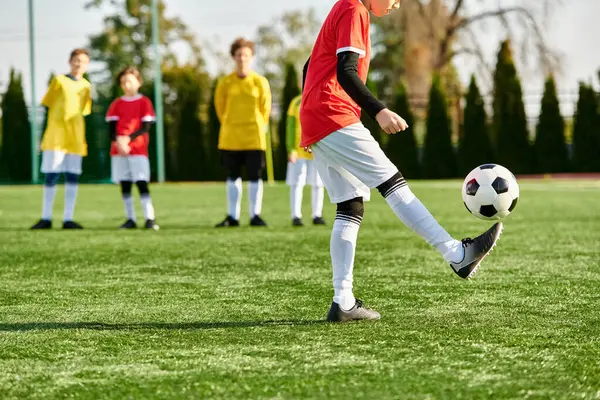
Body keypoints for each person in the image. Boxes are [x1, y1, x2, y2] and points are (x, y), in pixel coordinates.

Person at [300, 0, 503, 323]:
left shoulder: (346, 8)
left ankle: (343, 301)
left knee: (349, 208)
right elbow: (346, 71)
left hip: (319, 119)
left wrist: (311, 119)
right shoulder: (354, 8)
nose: (396, 3)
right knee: (393, 185)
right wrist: (378, 110)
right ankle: (457, 255)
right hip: (334, 116)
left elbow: (308, 66)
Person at [31, 48, 92, 230]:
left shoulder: (87, 86)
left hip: (75, 137)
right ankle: (46, 217)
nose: (79, 64)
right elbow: (48, 102)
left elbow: (84, 111)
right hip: (56, 135)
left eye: (83, 61)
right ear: (70, 61)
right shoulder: (59, 80)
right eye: (76, 60)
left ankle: (68, 218)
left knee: (72, 176)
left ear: (87, 65)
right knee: (51, 175)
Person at [214, 37, 272, 227]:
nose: (242, 59)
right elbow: (220, 108)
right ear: (233, 57)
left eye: (246, 55)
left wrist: (256, 124)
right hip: (230, 137)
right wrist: (231, 123)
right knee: (233, 176)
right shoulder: (225, 82)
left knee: (255, 175)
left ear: (251, 57)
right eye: (239, 55)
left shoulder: (260, 81)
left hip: (254, 136)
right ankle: (233, 216)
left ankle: (255, 215)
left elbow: (266, 108)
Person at [105, 66, 159, 230]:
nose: (126, 85)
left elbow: (145, 127)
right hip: (119, 152)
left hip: (137, 150)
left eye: (129, 81)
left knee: (141, 182)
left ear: (138, 82)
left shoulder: (144, 102)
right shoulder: (116, 104)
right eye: (123, 82)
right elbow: (111, 130)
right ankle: (130, 218)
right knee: (125, 184)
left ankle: (150, 218)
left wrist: (128, 139)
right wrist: (119, 142)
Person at [285, 94, 326, 227]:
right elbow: (290, 127)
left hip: (317, 150)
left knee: (318, 184)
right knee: (296, 184)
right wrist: (291, 148)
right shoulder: (296, 102)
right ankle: (296, 216)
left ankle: (317, 215)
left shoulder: (322, 99)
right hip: (299, 151)